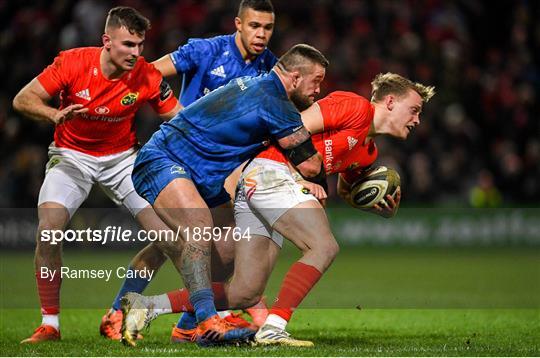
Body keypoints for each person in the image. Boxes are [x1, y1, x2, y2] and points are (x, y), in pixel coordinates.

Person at [119, 72, 435, 347]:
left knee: (244, 292)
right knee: (322, 246)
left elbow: (346, 191)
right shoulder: (354, 106)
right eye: (414, 110)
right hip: (272, 172)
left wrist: (382, 209)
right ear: (390, 101)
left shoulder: (368, 153)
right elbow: (295, 126)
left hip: (268, 184)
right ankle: (274, 327)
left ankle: (147, 306)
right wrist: (301, 175)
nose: (417, 120)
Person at [119, 43, 329, 347]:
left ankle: (185, 325)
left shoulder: (258, 86)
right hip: (165, 159)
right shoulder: (274, 101)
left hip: (203, 177)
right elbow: (310, 165)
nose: (318, 91)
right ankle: (207, 321)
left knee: (229, 251)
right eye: (317, 81)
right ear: (295, 77)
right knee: (198, 227)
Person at [101, 0, 277, 340]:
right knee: (182, 242)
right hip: (177, 161)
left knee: (206, 250)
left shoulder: (269, 69)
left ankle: (150, 319)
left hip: (215, 172)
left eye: (268, 28)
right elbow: (148, 73)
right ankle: (192, 321)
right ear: (238, 23)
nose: (261, 34)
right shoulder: (206, 50)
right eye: (255, 26)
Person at [12, 7, 182, 344]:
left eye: (140, 45)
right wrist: (53, 114)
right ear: (107, 41)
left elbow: (178, 120)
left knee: (169, 238)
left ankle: (121, 311)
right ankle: (50, 325)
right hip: (71, 158)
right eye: (128, 45)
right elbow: (22, 99)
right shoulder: (72, 62)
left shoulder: (147, 75)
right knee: (49, 231)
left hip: (122, 162)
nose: (136, 53)